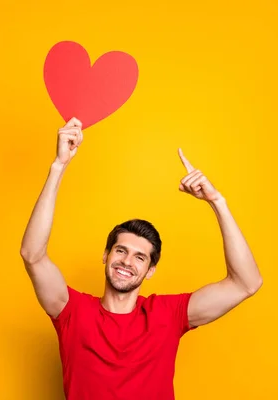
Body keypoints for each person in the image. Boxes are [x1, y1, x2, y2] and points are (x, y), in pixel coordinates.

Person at [20, 117, 263, 399]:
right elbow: (32, 255)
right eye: (121, 250)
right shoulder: (72, 311)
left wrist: (217, 202)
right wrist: (58, 166)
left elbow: (247, 283)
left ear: (150, 270)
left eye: (139, 257)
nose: (127, 261)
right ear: (106, 255)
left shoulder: (166, 316)